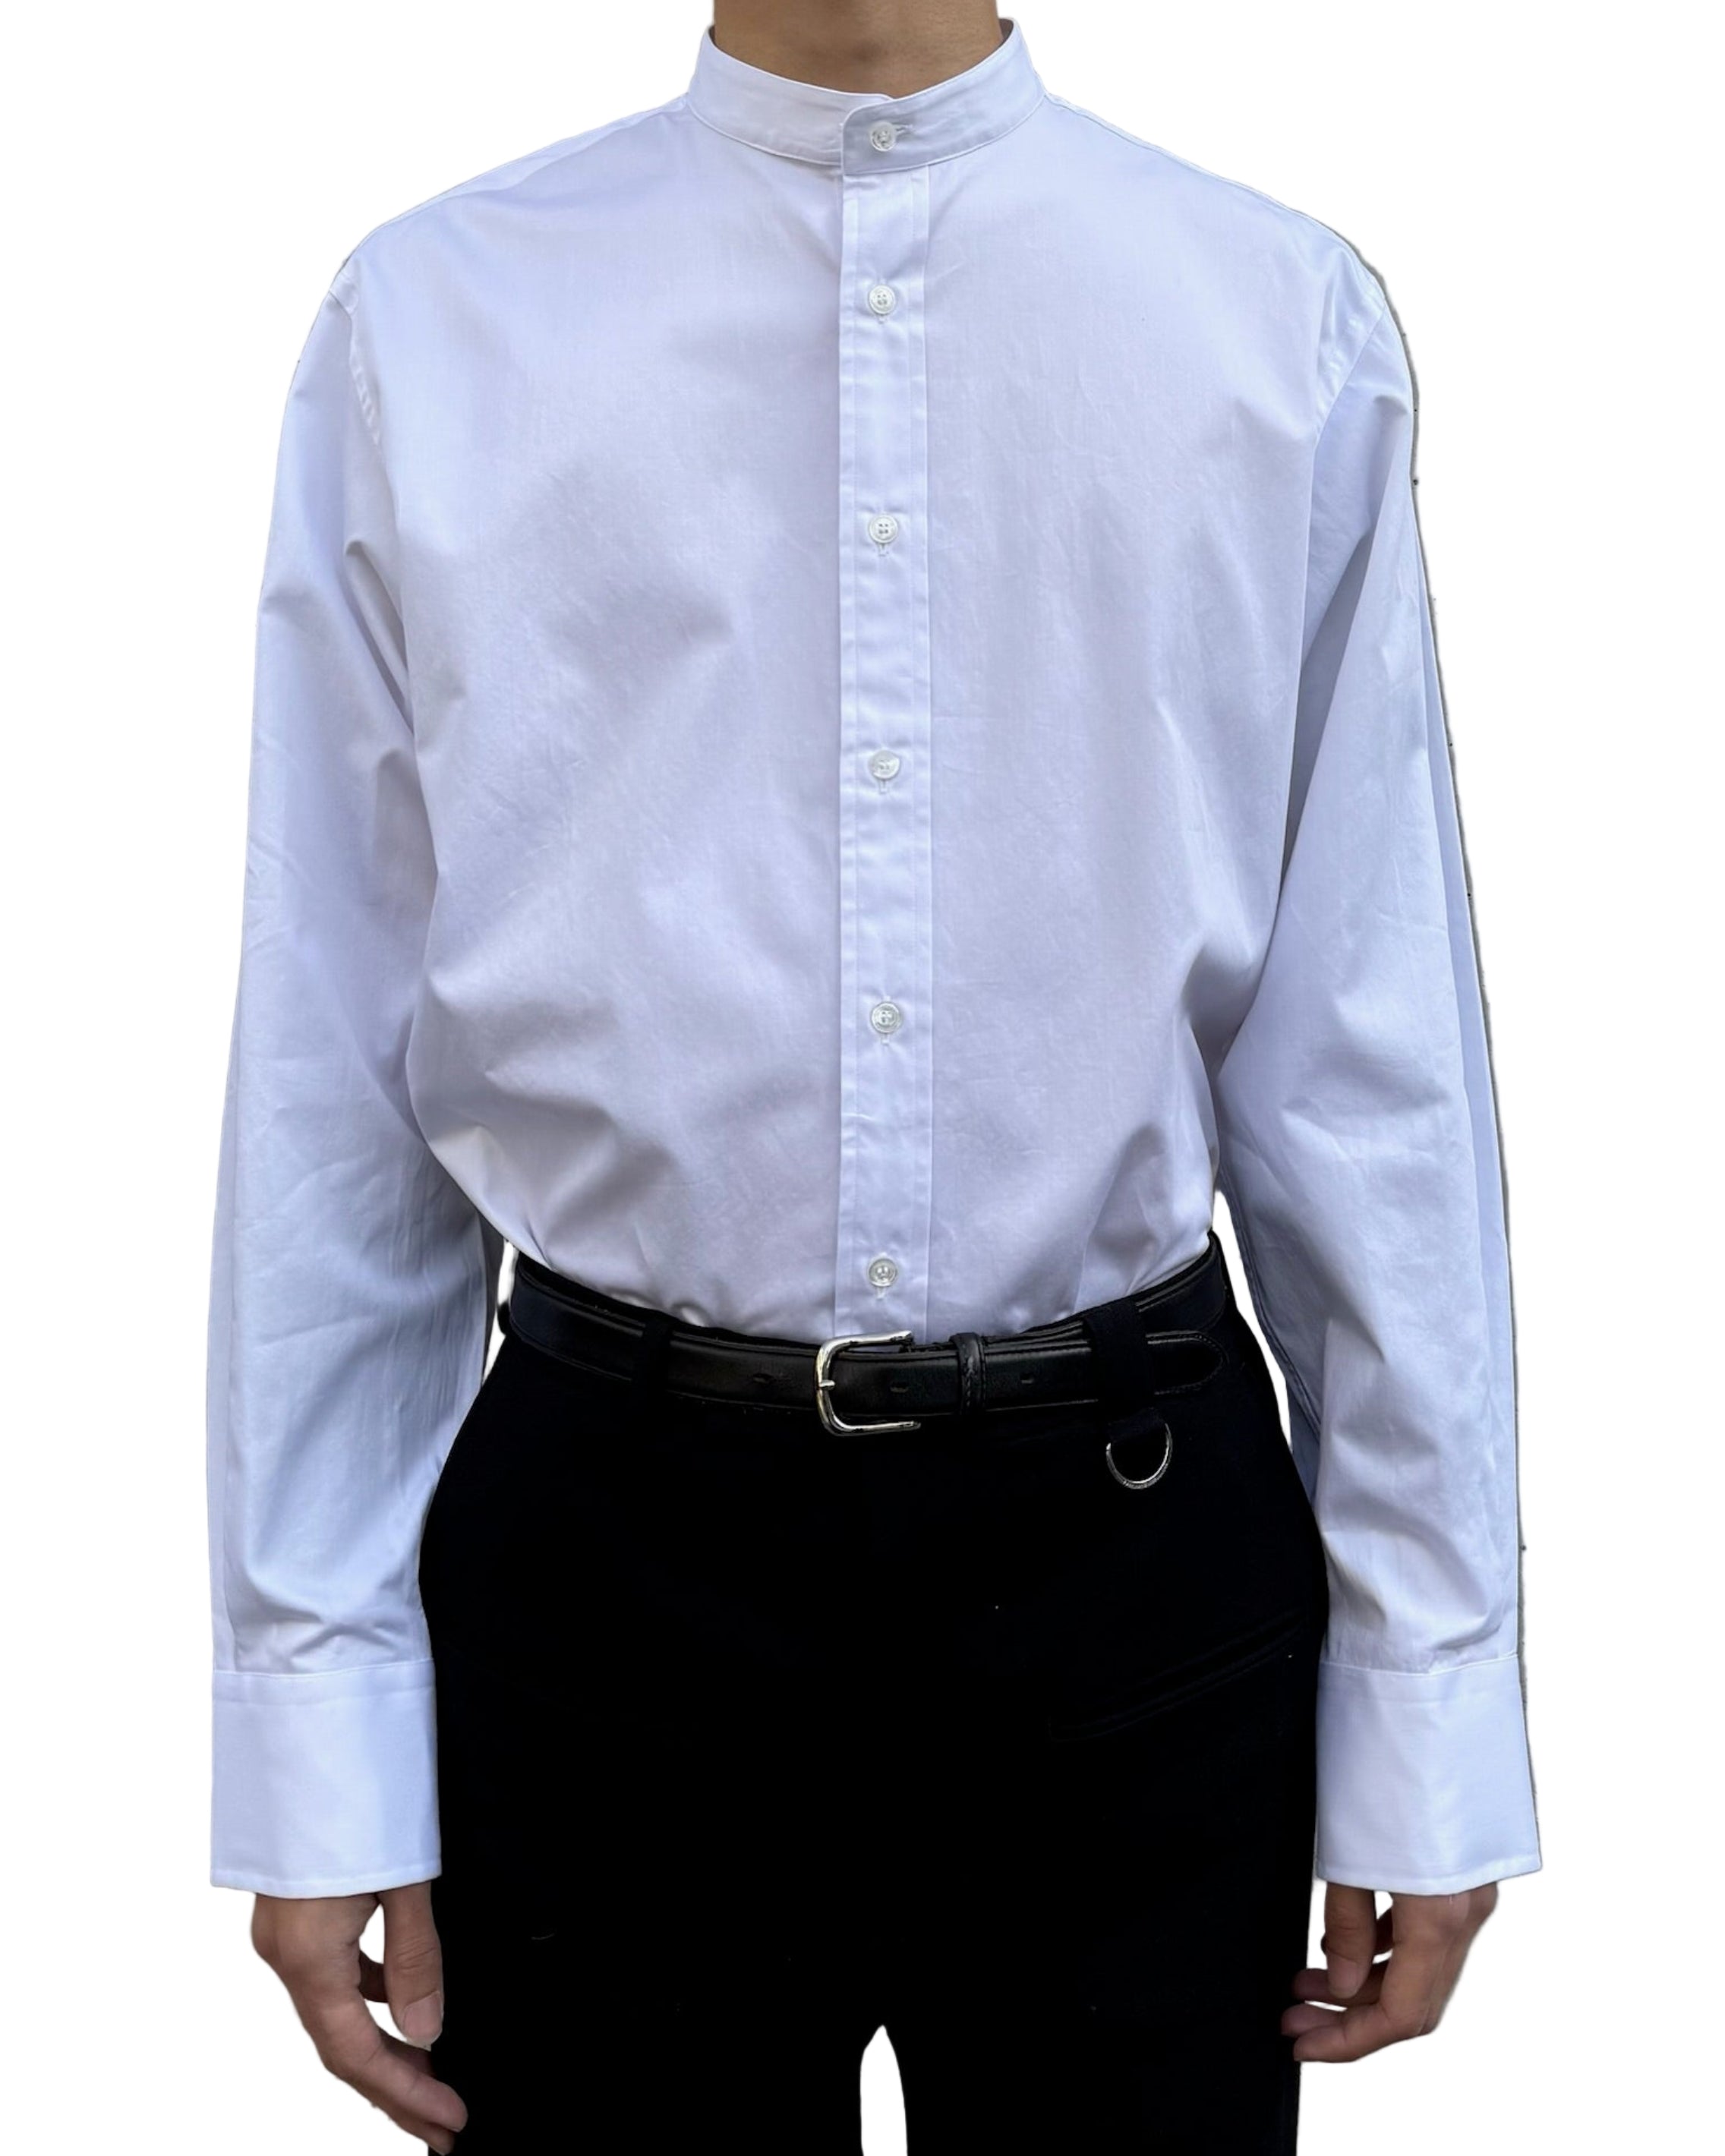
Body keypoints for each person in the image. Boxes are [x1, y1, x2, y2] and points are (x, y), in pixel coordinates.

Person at [207, 6, 1543, 2150]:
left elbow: (1366, 1057)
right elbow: (336, 1067)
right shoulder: (433, 324)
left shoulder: (1271, 324)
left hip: (1134, 1581)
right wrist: (315, 1720)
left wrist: (1430, 1687)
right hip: (605, 1579)